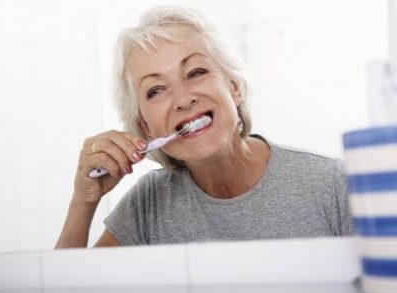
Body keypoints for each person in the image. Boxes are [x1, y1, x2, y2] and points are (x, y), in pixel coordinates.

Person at [55, 5, 353, 248]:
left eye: (196, 72)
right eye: (156, 90)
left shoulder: (334, 187)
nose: (183, 99)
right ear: (145, 127)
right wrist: (84, 201)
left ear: (234, 88)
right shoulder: (147, 205)